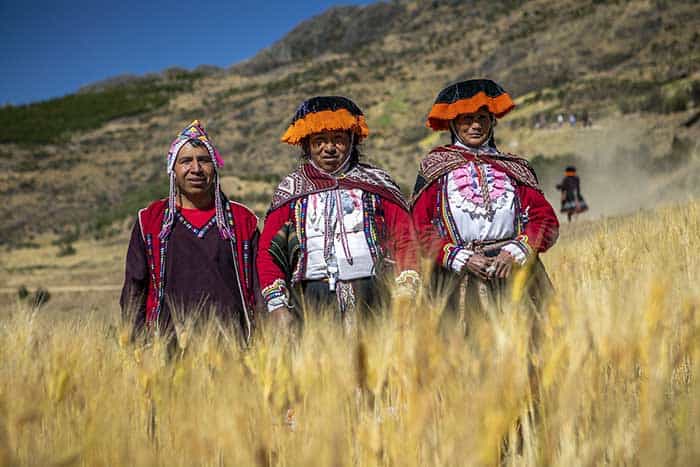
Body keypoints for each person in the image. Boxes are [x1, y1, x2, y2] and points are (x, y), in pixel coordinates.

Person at [257, 96, 419, 329]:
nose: (329, 148)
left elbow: (405, 239)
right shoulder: (291, 190)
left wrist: (406, 295)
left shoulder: (377, 183)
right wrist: (278, 306)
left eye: (339, 140)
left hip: (374, 294)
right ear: (306, 144)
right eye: (320, 140)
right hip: (312, 298)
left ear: (352, 141)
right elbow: (268, 252)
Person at [412, 79, 559, 318]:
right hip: (457, 278)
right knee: (463, 350)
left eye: (482, 118)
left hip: (516, 271)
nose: (475, 126)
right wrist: (459, 257)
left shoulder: (514, 168)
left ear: (492, 121)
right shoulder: (435, 169)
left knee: (532, 345)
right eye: (466, 119)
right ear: (453, 124)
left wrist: (513, 252)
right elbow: (419, 226)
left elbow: (545, 220)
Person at [120, 120, 259, 344]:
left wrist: (263, 339)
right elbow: (135, 289)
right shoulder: (150, 221)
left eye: (204, 160)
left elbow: (258, 288)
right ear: (172, 169)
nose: (196, 169)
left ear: (215, 166)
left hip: (232, 346)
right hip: (166, 347)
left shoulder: (242, 221)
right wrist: (136, 344)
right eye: (186, 161)